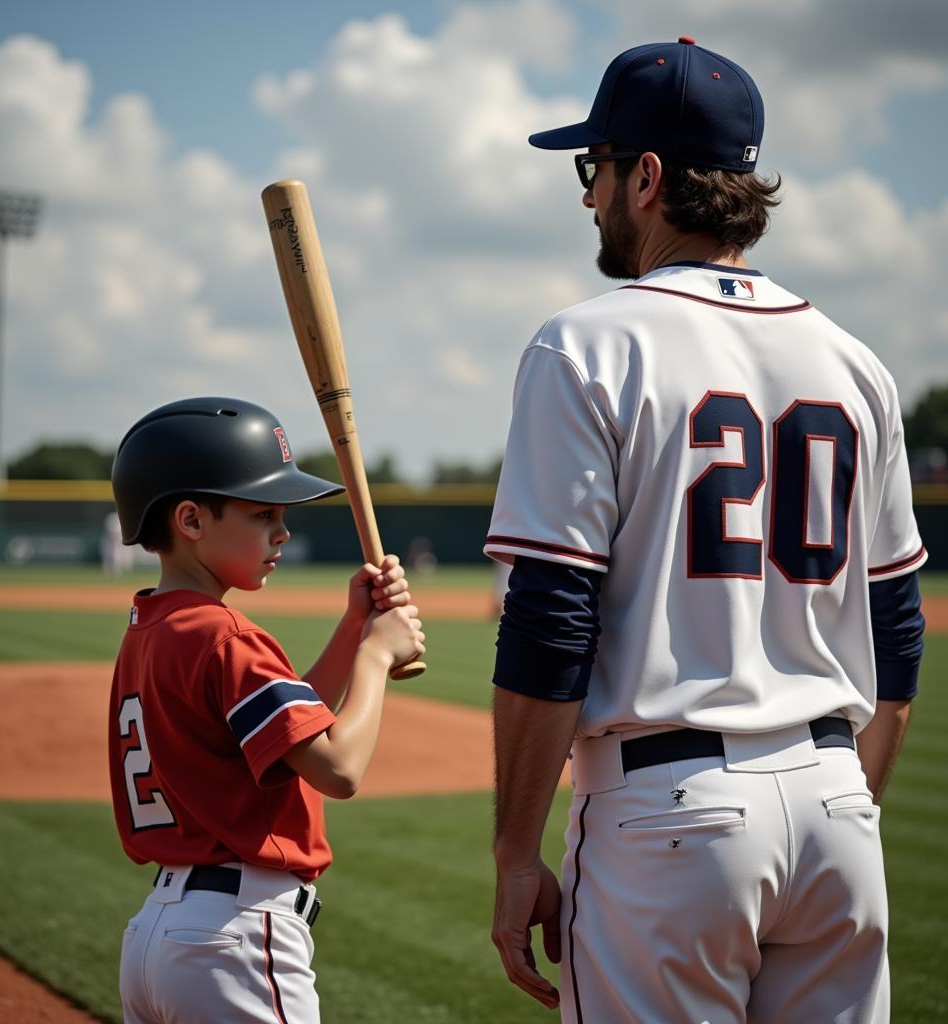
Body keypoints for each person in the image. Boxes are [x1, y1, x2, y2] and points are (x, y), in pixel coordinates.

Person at [485, 38, 926, 1024]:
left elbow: (552, 621)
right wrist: (846, 803)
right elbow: (897, 633)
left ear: (644, 177)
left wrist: (516, 853)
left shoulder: (585, 342)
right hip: (835, 805)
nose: (587, 194)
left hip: (668, 821)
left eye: (591, 168)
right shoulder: (854, 361)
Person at [108, 397, 425, 1024]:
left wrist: (355, 626)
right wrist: (376, 660)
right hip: (237, 939)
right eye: (263, 514)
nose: (282, 532)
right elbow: (338, 768)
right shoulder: (229, 636)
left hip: (160, 938)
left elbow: (285, 728)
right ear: (192, 519)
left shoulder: (153, 629)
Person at [101, 510, 134, 576]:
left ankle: (119, 569)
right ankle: (109, 570)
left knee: (119, 555)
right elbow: (110, 533)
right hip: (111, 541)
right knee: (110, 555)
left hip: (120, 541)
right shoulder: (112, 517)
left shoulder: (119, 518)